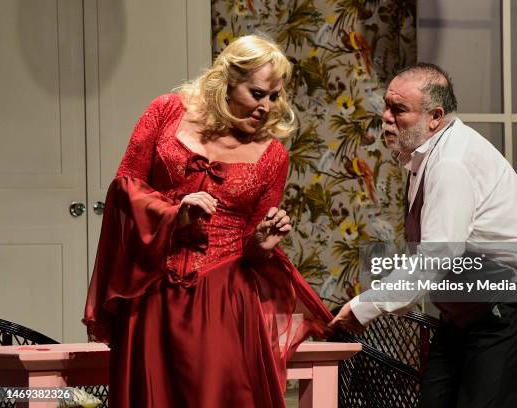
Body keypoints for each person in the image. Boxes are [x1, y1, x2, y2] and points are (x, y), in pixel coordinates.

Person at [83, 35, 332, 408]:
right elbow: (124, 187)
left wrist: (260, 246)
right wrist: (173, 214)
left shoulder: (273, 157)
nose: (266, 106)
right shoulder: (166, 111)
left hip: (223, 301)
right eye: (257, 93)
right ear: (227, 81)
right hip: (154, 293)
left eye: (275, 96)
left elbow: (251, 246)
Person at [329, 63, 517, 407]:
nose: (386, 118)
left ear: (435, 116)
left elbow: (437, 258)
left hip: (514, 301)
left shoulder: (451, 163)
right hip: (469, 306)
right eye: (386, 108)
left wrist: (367, 305)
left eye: (399, 110)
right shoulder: (426, 155)